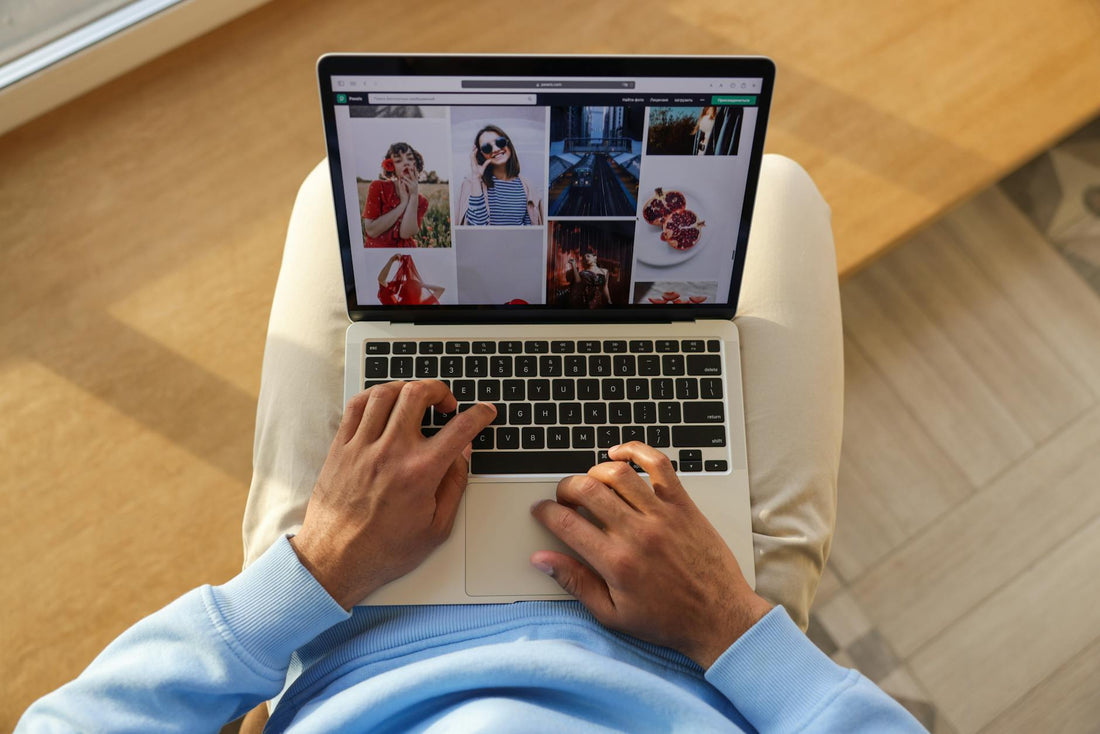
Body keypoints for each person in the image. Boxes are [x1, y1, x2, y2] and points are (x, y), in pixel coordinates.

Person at [18, 156, 927, 732]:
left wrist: (320, 567)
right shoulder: (708, 626)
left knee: (325, 196)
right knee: (773, 192)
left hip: (352, 631)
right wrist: (724, 622)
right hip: (690, 654)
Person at [457, 124, 544, 226]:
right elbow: (477, 228)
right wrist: (476, 178)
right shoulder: (471, 184)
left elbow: (530, 230)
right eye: (486, 147)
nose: (495, 149)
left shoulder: (527, 187)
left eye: (500, 142)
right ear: (481, 155)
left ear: (508, 143)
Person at [362, 142, 429, 247]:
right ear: (391, 167)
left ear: (416, 164)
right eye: (398, 161)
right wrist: (402, 204)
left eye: (410, 159)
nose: (406, 163)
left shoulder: (422, 201)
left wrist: (413, 196)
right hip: (377, 253)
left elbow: (405, 234)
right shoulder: (378, 187)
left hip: (406, 254)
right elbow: (371, 231)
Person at [376, 253, 444, 305]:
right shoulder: (424, 304)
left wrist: (391, 260)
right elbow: (440, 290)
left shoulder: (395, 305)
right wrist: (422, 285)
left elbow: (381, 280)